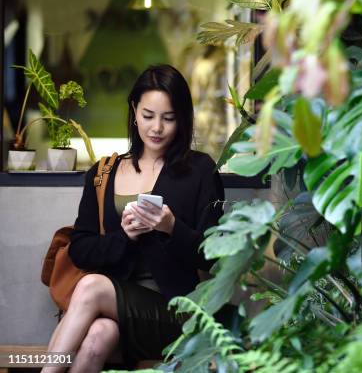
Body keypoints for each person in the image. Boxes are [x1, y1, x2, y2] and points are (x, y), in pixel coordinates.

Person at [42, 65, 225, 372]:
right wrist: (124, 237)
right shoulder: (104, 172)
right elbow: (80, 248)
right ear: (134, 111)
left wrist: (171, 228)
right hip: (114, 310)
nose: (157, 128)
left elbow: (216, 257)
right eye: (148, 115)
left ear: (182, 117)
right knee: (98, 336)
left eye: (168, 118)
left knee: (91, 287)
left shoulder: (200, 170)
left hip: (176, 313)